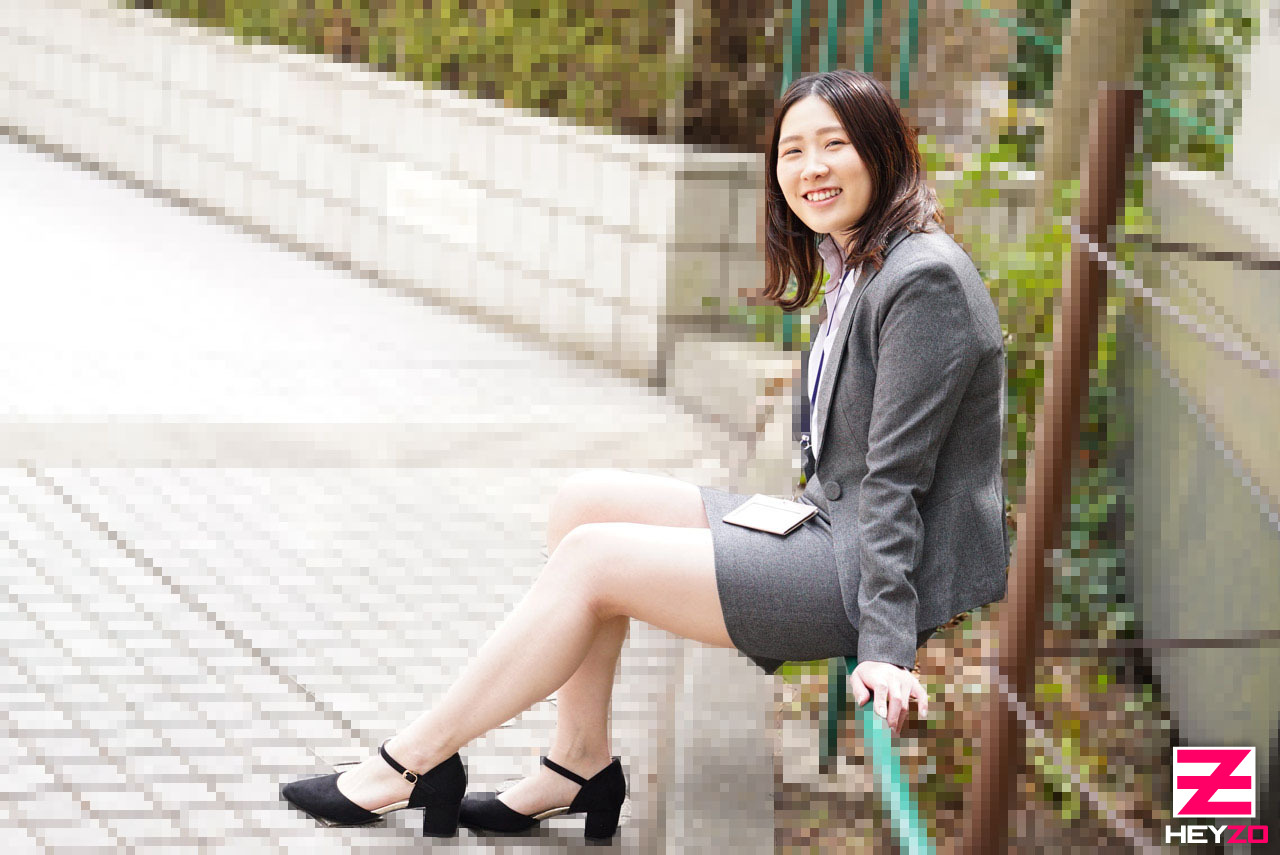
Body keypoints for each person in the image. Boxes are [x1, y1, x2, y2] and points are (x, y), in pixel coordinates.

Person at [279, 68, 1010, 841]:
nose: (811, 168)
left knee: (593, 559)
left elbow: (895, 482)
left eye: (835, 144)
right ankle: (577, 762)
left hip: (859, 570)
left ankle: (412, 759)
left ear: (883, 151)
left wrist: (887, 646)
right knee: (584, 504)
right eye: (792, 151)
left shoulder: (922, 281)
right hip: (829, 523)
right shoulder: (863, 258)